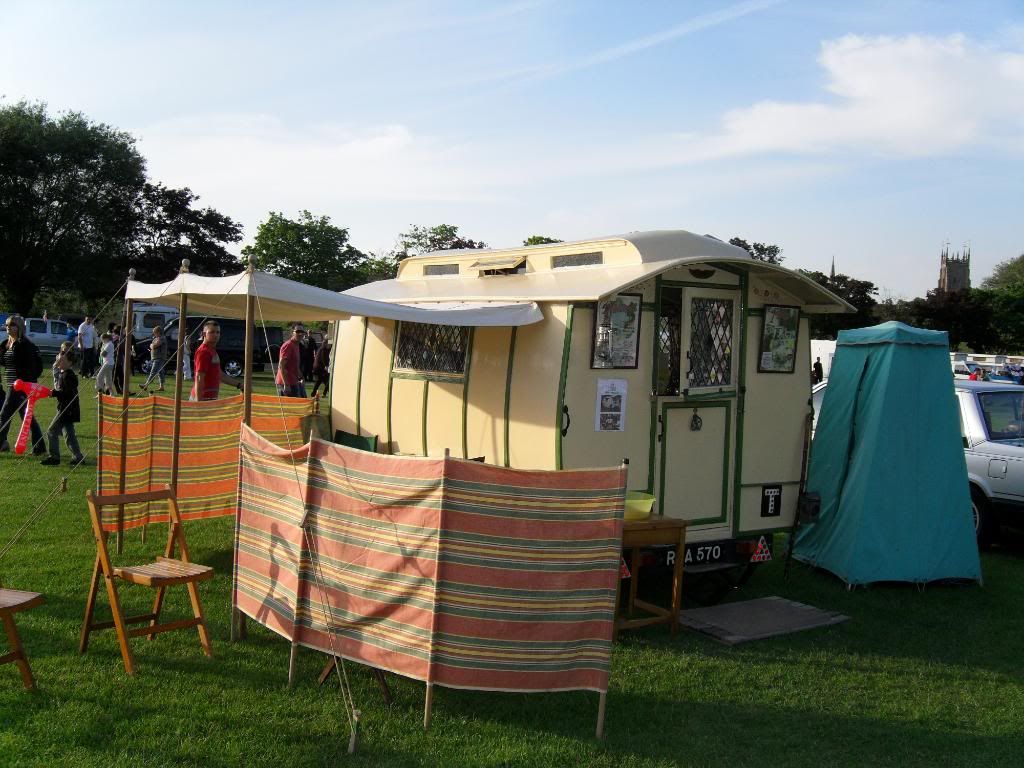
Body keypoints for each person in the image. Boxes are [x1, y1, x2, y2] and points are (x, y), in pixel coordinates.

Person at [0, 314, 46, 454]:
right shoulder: (6, 343)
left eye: (12, 325)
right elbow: (5, 362)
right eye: (7, 325)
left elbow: (34, 367)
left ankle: (2, 443)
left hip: (22, 386)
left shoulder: (25, 345)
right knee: (26, 417)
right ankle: (39, 447)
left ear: (19, 327)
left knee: (5, 414)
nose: (8, 327)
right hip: (11, 384)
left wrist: (26, 384)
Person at [40, 349, 84, 467]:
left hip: (67, 409)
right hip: (67, 409)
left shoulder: (69, 376)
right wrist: (54, 393)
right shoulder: (62, 373)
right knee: (69, 434)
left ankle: (54, 457)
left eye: (62, 360)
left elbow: (68, 393)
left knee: (51, 431)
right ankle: (78, 457)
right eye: (58, 359)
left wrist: (54, 393)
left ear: (70, 363)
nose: (59, 362)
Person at [191, 320, 243, 401]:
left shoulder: (212, 350)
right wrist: (199, 401)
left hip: (210, 399)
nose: (215, 335)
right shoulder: (204, 352)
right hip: (202, 399)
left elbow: (220, 375)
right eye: (211, 332)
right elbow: (199, 377)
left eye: (218, 332)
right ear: (204, 334)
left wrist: (239, 385)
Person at [276, 325, 307, 398]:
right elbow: (281, 366)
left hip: (294, 382)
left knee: (301, 401)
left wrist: (301, 377)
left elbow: (295, 366)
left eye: (302, 332)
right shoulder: (288, 345)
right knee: (293, 404)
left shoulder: (296, 345)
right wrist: (286, 384)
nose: (300, 334)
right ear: (292, 333)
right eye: (298, 331)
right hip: (287, 383)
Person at [140, 325, 168, 392]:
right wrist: (152, 345)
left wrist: (152, 345)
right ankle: (162, 387)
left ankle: (146, 385)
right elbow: (151, 346)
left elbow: (155, 345)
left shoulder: (162, 338)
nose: (154, 334)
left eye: (155, 332)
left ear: (158, 332)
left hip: (159, 357)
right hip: (155, 357)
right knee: (160, 372)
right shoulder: (156, 338)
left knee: (153, 371)